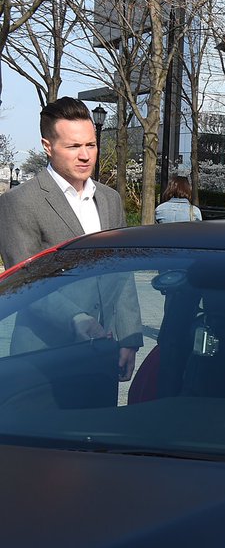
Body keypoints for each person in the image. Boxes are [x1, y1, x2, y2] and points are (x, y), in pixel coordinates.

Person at [0, 97, 142, 381]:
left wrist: (129, 337)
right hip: (44, 358)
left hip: (103, 353)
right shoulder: (19, 202)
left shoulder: (110, 199)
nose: (85, 155)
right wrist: (76, 319)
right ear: (47, 146)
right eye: (74, 146)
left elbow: (122, 272)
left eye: (91, 145)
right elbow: (27, 281)